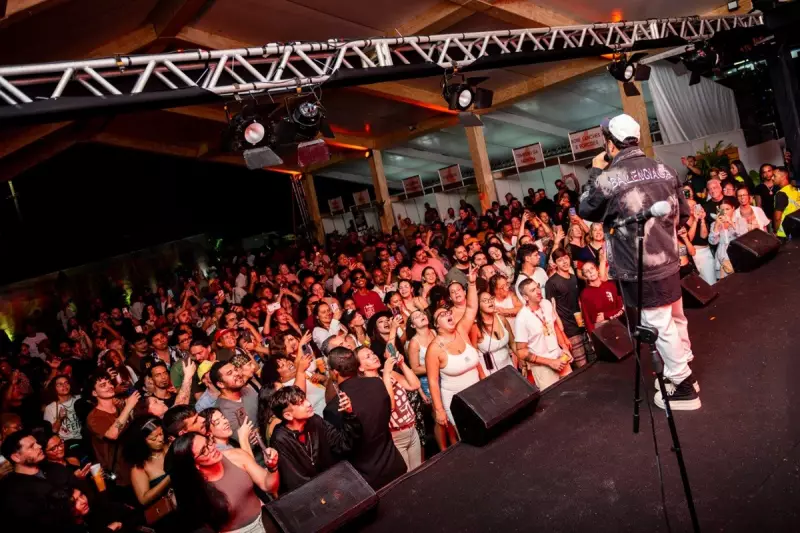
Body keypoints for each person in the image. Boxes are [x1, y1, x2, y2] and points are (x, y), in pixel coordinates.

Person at [579, 113, 699, 410]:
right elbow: (684, 214)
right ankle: (685, 370)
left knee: (658, 324)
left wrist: (596, 171)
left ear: (611, 144)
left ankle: (683, 386)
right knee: (675, 316)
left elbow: (586, 208)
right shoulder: (663, 168)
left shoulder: (610, 177)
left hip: (640, 265)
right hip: (669, 258)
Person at [324, 347, 407, 489]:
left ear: (335, 372)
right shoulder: (376, 383)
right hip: (394, 464)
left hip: (369, 479)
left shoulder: (333, 409)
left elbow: (344, 447)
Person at [168, 431, 278, 533]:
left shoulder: (235, 456)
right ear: (195, 464)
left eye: (208, 442)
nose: (212, 448)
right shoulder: (195, 489)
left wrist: (273, 467)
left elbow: (269, 486)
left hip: (265, 517)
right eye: (204, 451)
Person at [426, 267, 483, 445]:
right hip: (456, 402)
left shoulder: (461, 330)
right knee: (472, 441)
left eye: (448, 312)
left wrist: (471, 283)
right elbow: (433, 382)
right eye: (442, 315)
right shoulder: (434, 349)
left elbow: (471, 308)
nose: (448, 314)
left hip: (479, 393)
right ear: (436, 325)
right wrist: (439, 410)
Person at [269, 385, 361, 494]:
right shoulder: (280, 439)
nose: (308, 403)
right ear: (288, 415)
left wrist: (349, 414)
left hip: (332, 487)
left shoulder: (315, 421)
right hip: (312, 496)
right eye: (301, 403)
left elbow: (342, 444)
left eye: (305, 399)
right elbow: (295, 482)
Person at [354, 345, 422, 471]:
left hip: (412, 429)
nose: (374, 356)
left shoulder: (389, 374)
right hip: (396, 437)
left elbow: (415, 385)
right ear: (360, 367)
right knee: (407, 476)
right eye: (368, 357)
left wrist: (401, 364)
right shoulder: (367, 386)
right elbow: (390, 405)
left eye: (372, 353)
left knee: (419, 471)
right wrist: (386, 373)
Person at [0, 429, 80, 528]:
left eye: (37, 443)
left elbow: (77, 488)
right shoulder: (12, 491)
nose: (39, 446)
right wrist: (72, 501)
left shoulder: (55, 467)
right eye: (31, 446)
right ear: (16, 457)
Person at [85, 370, 141, 491]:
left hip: (136, 465)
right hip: (119, 475)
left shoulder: (120, 406)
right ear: (94, 393)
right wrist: (128, 407)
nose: (109, 386)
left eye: (109, 382)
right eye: (102, 385)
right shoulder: (94, 417)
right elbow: (112, 434)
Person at [515, 279, 574, 389]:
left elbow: (554, 326)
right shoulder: (522, 318)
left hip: (560, 357)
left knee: (573, 389)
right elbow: (521, 352)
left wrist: (564, 348)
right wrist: (550, 362)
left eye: (537, 287)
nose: (538, 291)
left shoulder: (546, 303)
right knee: (554, 397)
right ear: (526, 297)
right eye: (533, 290)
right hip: (543, 367)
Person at [122, 416, 175, 527]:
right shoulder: (139, 468)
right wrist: (168, 478)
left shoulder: (171, 445)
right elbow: (143, 499)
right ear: (141, 442)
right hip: (169, 515)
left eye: (161, 434)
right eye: (153, 438)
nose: (160, 439)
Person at [545, 248, 588, 368]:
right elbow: (551, 309)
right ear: (555, 263)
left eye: (566, 258)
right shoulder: (551, 283)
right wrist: (562, 332)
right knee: (581, 364)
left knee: (592, 358)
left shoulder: (573, 277)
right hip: (568, 328)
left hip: (580, 324)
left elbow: (578, 300)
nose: (564, 262)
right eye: (560, 260)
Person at [470, 290, 517, 375]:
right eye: (485, 300)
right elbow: (474, 355)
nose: (490, 302)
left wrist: (523, 361)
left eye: (491, 299)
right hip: (490, 373)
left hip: (509, 368)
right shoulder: (476, 327)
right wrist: (482, 376)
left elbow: (513, 343)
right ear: (478, 305)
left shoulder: (502, 319)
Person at [209, 360, 259, 438]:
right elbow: (248, 440)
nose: (237, 373)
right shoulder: (223, 411)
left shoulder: (246, 390)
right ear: (221, 384)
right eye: (230, 373)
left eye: (235, 369)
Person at [579, 262, 624, 334]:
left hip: (617, 326)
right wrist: (593, 335)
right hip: (600, 330)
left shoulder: (610, 286)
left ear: (597, 270)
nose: (590, 272)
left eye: (592, 268)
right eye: (587, 271)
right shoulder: (584, 294)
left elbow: (622, 308)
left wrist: (606, 315)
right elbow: (587, 320)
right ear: (585, 276)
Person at [42, 375, 82, 451]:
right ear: (54, 388)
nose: (64, 386)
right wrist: (59, 419)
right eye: (60, 384)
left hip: (85, 437)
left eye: (66, 383)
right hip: (67, 442)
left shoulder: (79, 398)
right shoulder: (50, 408)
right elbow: (52, 432)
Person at [709, 197, 741, 280]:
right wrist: (716, 225)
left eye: (727, 209)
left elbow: (743, 237)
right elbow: (713, 242)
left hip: (737, 257)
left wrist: (731, 223)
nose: (725, 212)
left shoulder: (740, 221)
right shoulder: (714, 224)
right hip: (722, 259)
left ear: (733, 208)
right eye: (722, 209)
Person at [772, 166, 800, 241]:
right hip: (796, 230)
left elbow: (777, 218)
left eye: (774, 176)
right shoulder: (796, 189)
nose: (772, 178)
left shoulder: (781, 194)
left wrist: (776, 232)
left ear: (783, 176)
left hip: (785, 234)